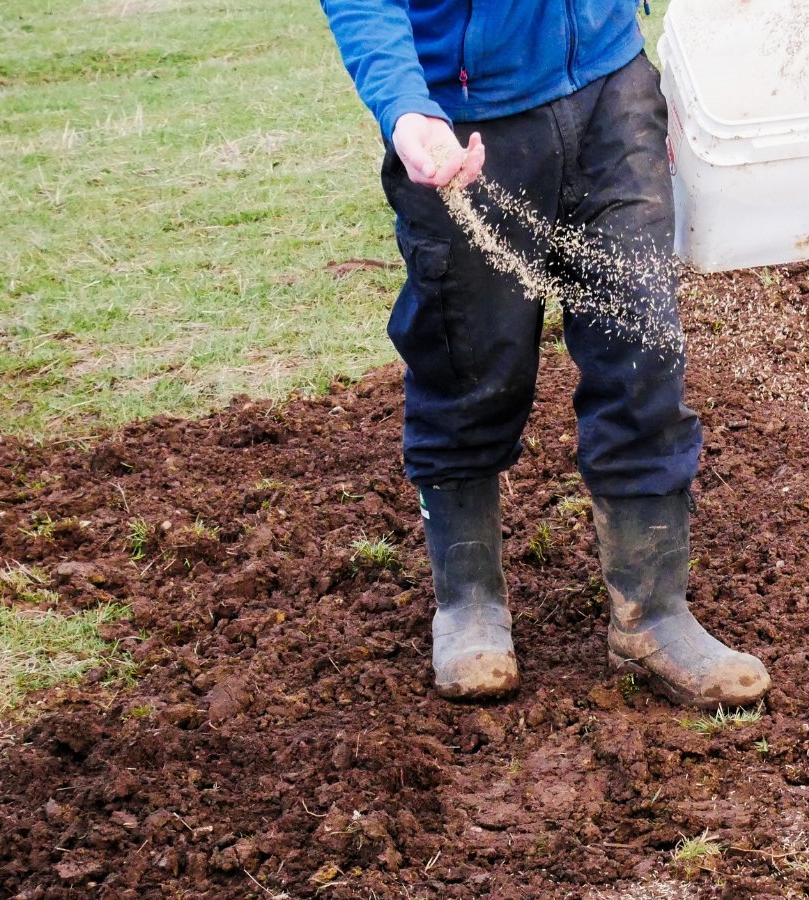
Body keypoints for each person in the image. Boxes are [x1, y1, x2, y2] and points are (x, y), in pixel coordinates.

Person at [321, 0, 770, 710]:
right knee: (470, 360)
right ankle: (467, 602)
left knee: (643, 346)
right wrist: (406, 108)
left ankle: (652, 615)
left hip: (611, 90)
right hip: (463, 124)